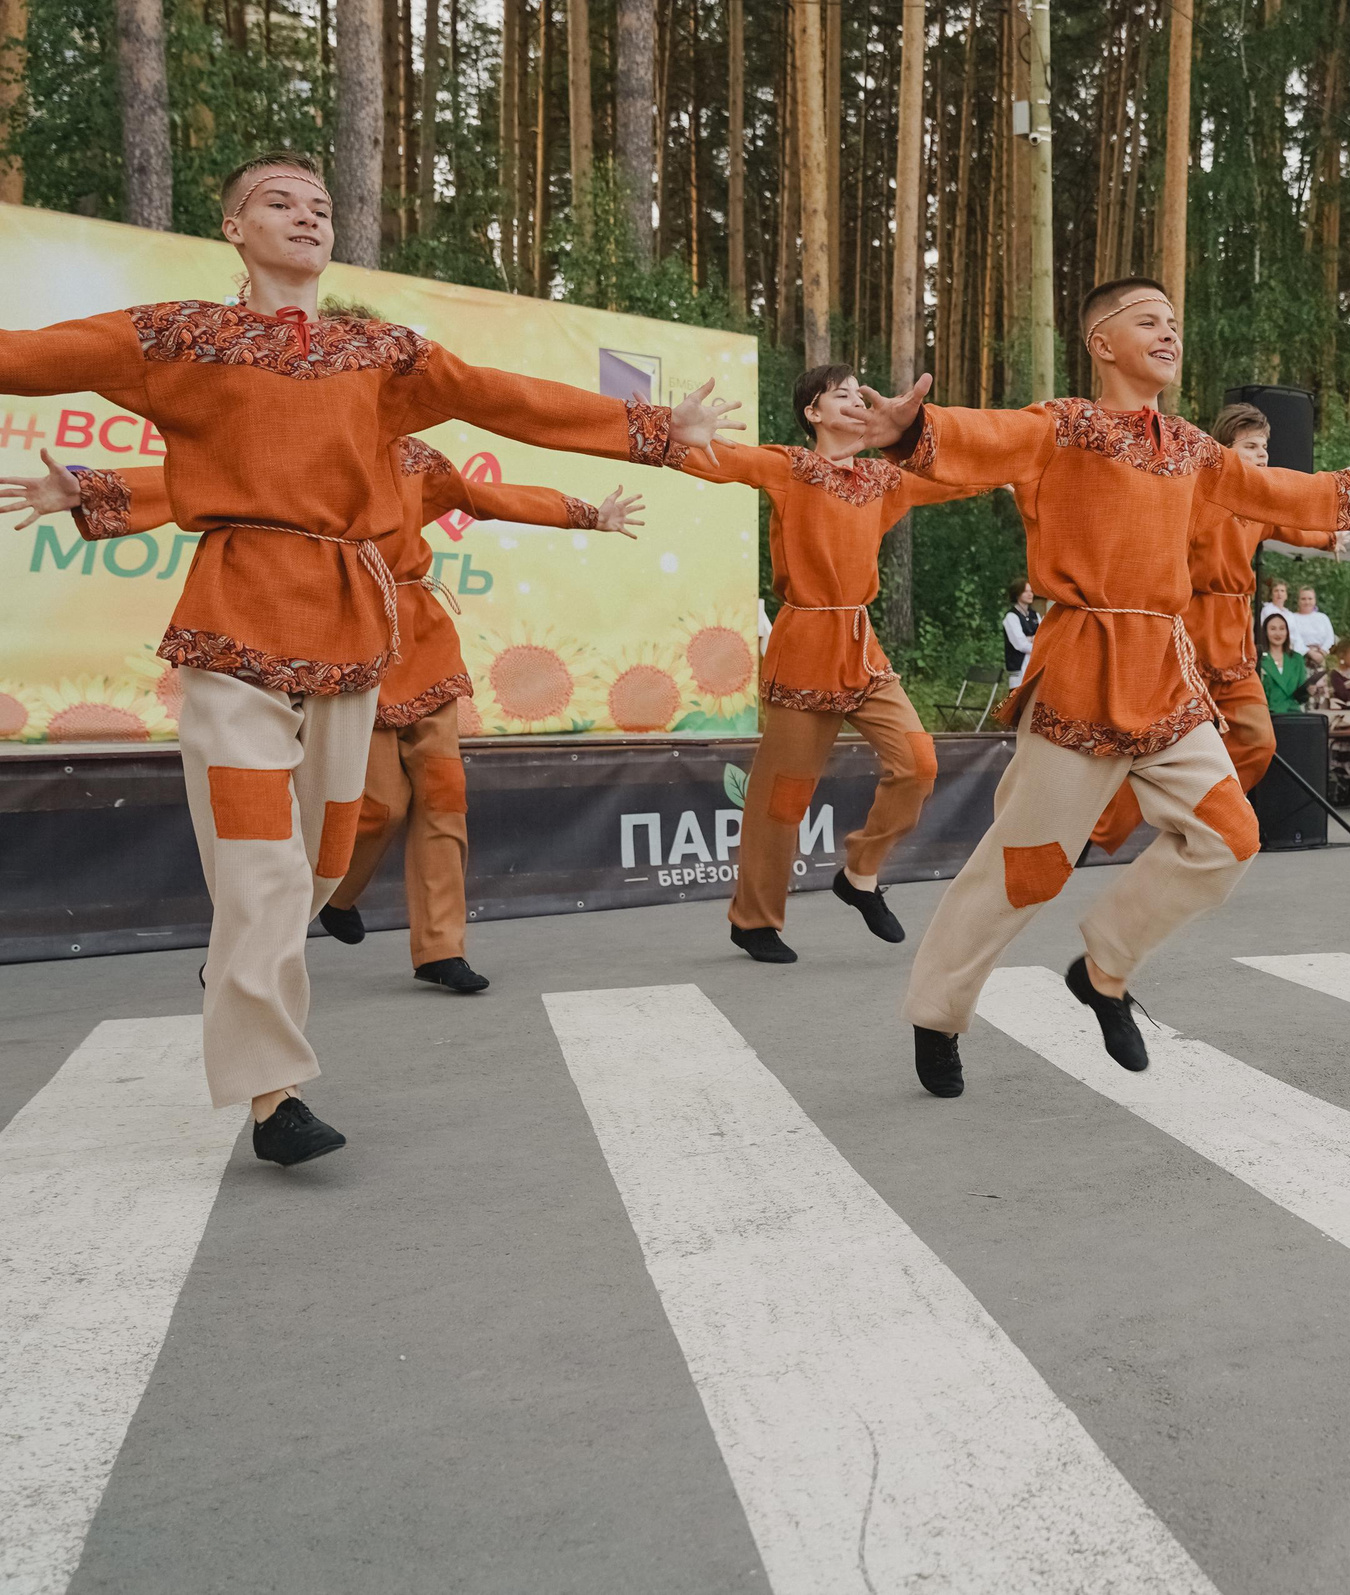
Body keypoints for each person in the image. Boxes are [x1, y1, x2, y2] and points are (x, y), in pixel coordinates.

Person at [0, 150, 738, 1166]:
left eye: (316, 204)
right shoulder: (176, 336)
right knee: (260, 874)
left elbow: (502, 398)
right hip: (234, 630)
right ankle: (275, 1096)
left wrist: (646, 427)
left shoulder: (379, 356)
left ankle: (244, 972)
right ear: (235, 230)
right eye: (276, 202)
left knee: (319, 862)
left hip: (354, 638)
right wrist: (95, 492)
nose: (304, 216)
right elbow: (25, 356)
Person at [836, 274, 1350, 1098]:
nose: (1169, 332)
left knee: (1229, 837)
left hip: (1168, 678)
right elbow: (985, 439)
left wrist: (1344, 491)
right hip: (1082, 669)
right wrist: (913, 427)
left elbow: (1265, 488)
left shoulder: (1193, 446)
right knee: (1023, 870)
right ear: (1102, 343)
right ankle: (938, 1011)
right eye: (1147, 321)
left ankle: (1103, 971)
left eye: (1173, 320)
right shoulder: (1063, 426)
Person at [13, 437, 641, 993]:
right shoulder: (293, 450)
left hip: (422, 637)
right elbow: (195, 480)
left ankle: (442, 949)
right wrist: (88, 489)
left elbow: (488, 497)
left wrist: (589, 514)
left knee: (445, 794)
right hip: (349, 635)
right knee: (372, 806)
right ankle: (319, 902)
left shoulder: (415, 457)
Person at [681, 364, 994, 962]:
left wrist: (1011, 468)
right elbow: (716, 459)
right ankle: (754, 920)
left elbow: (954, 477)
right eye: (840, 394)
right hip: (804, 644)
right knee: (783, 797)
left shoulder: (884, 479)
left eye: (860, 393)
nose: (855, 400)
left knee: (919, 762)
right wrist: (681, 435)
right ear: (813, 414)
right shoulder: (790, 468)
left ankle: (860, 874)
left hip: (860, 644)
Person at [1086, 399, 1337, 857]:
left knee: (1258, 741)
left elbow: (1298, 520)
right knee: (1153, 744)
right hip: (1189, 637)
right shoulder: (1193, 494)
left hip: (1237, 644)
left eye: (1265, 447)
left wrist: (1332, 532)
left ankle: (1199, 813)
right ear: (1224, 448)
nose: (1263, 455)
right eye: (1251, 446)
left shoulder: (1259, 506)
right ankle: (1094, 832)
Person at [1258, 609, 1309, 714]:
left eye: (1282, 629)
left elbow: (1301, 696)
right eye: (1273, 629)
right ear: (1265, 632)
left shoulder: (1297, 658)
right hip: (1267, 716)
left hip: (1293, 715)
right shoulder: (1258, 659)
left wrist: (1309, 691)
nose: (1278, 633)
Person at [1001, 580, 1041, 690]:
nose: (1030, 594)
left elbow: (1043, 637)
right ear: (1017, 594)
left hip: (1035, 666)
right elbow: (1020, 644)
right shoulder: (1011, 617)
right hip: (1019, 670)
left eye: (1031, 591)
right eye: (1025, 591)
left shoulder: (1035, 615)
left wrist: (1032, 639)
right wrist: (1036, 644)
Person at [1287, 585, 1337, 657]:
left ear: (1315, 600)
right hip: (1299, 656)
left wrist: (1322, 651)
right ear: (1298, 601)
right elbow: (1293, 639)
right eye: (1303, 599)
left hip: (1322, 655)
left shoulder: (1323, 618)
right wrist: (1309, 652)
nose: (1307, 602)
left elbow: (1330, 638)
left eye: (1310, 599)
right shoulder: (1291, 618)